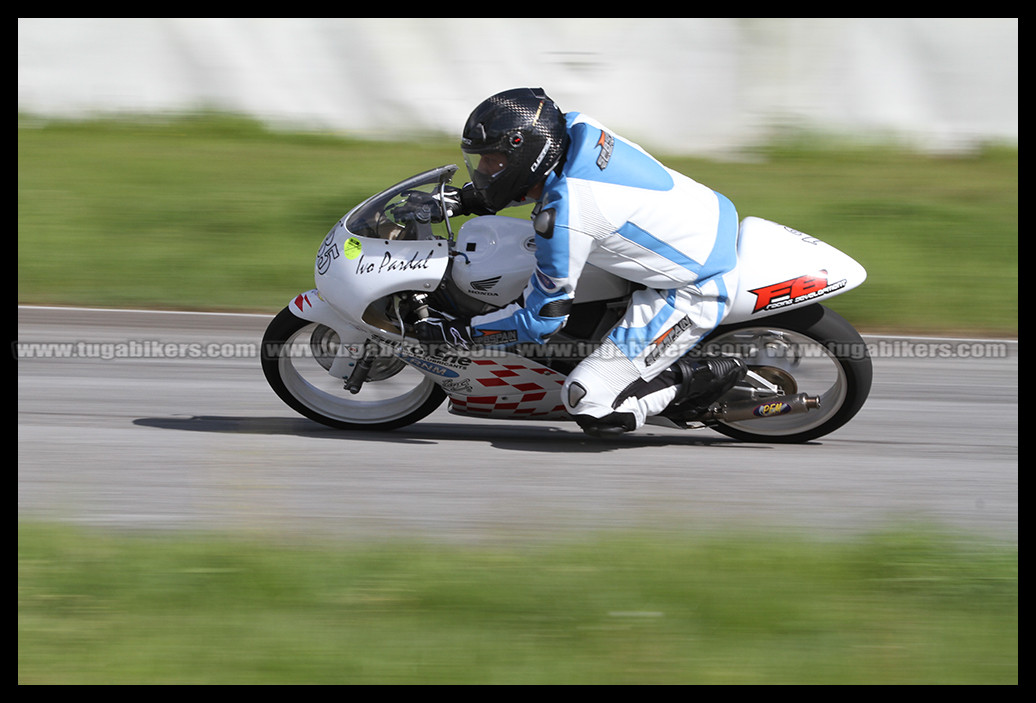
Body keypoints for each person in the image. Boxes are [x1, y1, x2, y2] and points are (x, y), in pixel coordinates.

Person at [414, 87, 746, 437]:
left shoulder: (568, 215)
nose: (484, 169)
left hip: (696, 285)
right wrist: (462, 200)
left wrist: (461, 334)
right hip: (703, 217)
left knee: (588, 403)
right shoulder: (573, 127)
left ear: (528, 152)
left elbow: (541, 321)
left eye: (492, 161)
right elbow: (533, 180)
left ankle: (696, 378)